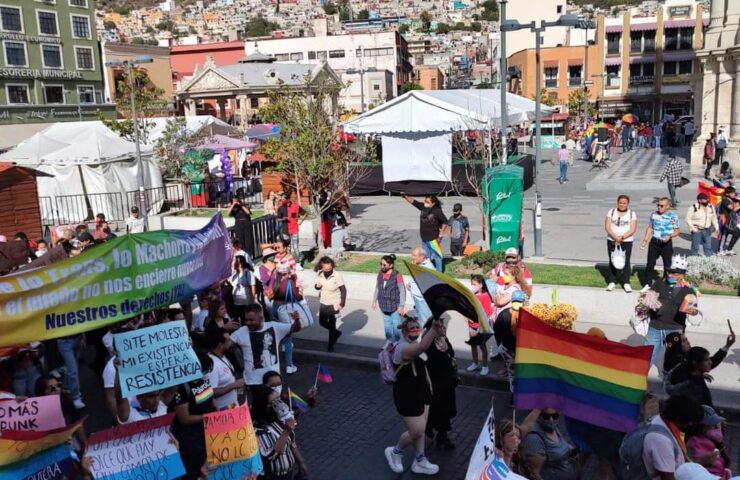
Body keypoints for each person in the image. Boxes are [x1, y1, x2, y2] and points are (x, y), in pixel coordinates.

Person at [384, 317, 443, 476]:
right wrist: (433, 329)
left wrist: (429, 386)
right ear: (404, 331)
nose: (416, 330)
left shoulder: (414, 346)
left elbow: (423, 367)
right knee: (416, 431)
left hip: (422, 391)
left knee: (421, 430)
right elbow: (423, 346)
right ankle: (395, 451)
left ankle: (420, 460)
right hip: (407, 394)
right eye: (412, 328)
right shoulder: (402, 348)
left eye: (418, 327)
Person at [230, 304, 302, 389]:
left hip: (274, 383)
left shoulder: (274, 327)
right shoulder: (241, 332)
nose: (248, 323)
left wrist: (297, 320)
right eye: (246, 320)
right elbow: (223, 345)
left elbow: (295, 328)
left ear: (261, 318)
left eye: (251, 320)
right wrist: (222, 329)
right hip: (253, 384)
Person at [643, 255, 698, 366]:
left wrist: (693, 311)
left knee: (673, 360)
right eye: (669, 272)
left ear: (682, 274)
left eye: (674, 273)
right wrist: (648, 299)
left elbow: (695, 309)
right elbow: (649, 296)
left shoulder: (689, 288)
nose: (670, 274)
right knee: (647, 357)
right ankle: (639, 380)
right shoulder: (659, 282)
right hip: (655, 327)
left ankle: (669, 382)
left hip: (674, 329)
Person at [170, 351, 217, 480]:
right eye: (203, 369)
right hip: (191, 440)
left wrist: (220, 414)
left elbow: (211, 401)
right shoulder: (181, 388)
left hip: (208, 433)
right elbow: (184, 418)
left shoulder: (202, 381)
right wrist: (207, 417)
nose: (205, 372)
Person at [642, 394, 704, 480]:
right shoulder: (661, 441)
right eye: (689, 421)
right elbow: (668, 477)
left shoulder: (664, 422)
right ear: (678, 418)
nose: (690, 424)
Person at [251, 384, 303, 480]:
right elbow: (268, 456)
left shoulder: (278, 419)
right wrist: (286, 432)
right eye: (273, 403)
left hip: (288, 473)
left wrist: (301, 463)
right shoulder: (256, 429)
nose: (278, 405)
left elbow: (291, 442)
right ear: (263, 406)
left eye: (278, 399)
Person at [423, 318, 458, 450]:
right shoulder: (428, 344)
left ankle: (442, 435)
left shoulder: (445, 340)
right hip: (434, 383)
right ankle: (431, 427)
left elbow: (451, 354)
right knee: (437, 409)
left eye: (444, 326)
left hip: (448, 382)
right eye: (440, 327)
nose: (444, 328)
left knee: (447, 409)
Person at [520, 408, 578, 480]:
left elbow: (562, 450)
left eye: (555, 416)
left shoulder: (556, 429)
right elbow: (534, 474)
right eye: (546, 416)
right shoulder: (534, 438)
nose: (551, 420)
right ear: (539, 417)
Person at [640, 198, 680, 291]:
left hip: (666, 243)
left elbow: (677, 231)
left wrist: (669, 236)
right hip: (654, 242)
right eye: (658, 205)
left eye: (661, 205)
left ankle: (668, 285)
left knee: (667, 265)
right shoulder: (654, 214)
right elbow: (650, 227)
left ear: (667, 206)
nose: (659, 207)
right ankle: (647, 284)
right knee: (650, 264)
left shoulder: (673, 216)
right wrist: (645, 240)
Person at [401, 193, 448, 271]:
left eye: (428, 202)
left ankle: (439, 274)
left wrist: (441, 232)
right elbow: (413, 202)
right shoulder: (423, 207)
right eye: (425, 201)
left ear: (433, 203)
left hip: (433, 239)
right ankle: (428, 271)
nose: (425, 202)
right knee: (426, 257)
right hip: (424, 239)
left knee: (437, 256)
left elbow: (445, 221)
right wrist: (405, 196)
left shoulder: (437, 211)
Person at [686, 406, 732, 479]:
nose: (716, 428)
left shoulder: (715, 441)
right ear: (700, 426)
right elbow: (695, 465)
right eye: (712, 425)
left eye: (717, 424)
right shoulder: (695, 441)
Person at [662, 332, 734, 378]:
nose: (688, 342)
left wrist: (727, 346)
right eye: (684, 341)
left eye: (687, 340)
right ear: (676, 346)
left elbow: (709, 362)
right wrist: (697, 374)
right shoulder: (673, 362)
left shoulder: (688, 354)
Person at [605, 195, 638, 292]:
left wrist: (621, 238)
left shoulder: (632, 213)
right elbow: (607, 226)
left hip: (626, 241)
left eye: (624, 203)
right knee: (612, 260)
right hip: (612, 240)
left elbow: (632, 229)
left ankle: (626, 282)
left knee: (626, 261)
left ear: (628, 204)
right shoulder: (611, 212)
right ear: (617, 202)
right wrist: (615, 237)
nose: (622, 205)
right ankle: (612, 281)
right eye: (620, 203)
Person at [206, 327, 244, 411]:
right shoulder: (212, 364)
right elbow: (212, 392)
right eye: (228, 340)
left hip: (233, 406)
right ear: (220, 344)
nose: (231, 342)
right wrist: (234, 385)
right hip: (222, 411)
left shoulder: (223, 356)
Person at [372, 254, 406, 346]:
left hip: (394, 305)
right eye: (381, 264)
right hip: (383, 304)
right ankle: (389, 341)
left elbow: (402, 290)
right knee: (387, 324)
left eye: (384, 265)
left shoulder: (397, 275)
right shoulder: (380, 274)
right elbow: (377, 288)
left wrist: (401, 306)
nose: (382, 266)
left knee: (396, 324)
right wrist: (374, 301)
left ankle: (398, 341)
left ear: (391, 265)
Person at [314, 256, 346, 352]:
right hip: (324, 302)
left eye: (330, 268)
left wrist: (342, 303)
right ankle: (336, 333)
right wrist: (317, 286)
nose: (328, 270)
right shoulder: (320, 274)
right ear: (322, 268)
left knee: (332, 325)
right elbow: (317, 286)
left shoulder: (337, 275)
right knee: (322, 322)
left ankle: (330, 345)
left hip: (334, 304)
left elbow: (343, 290)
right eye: (325, 269)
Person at [467, 274, 494, 376]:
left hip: (480, 325)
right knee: (473, 345)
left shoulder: (485, 296)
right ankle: (475, 363)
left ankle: (485, 366)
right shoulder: (472, 295)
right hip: (471, 325)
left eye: (474, 284)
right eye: (471, 284)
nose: (472, 286)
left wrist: (475, 319)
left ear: (481, 285)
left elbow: (486, 312)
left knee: (482, 346)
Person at [407, 247, 434, 324]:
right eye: (412, 255)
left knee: (425, 322)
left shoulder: (428, 267)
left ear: (422, 256)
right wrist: (410, 283)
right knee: (419, 320)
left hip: (423, 300)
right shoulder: (417, 264)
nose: (412, 257)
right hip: (416, 297)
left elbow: (428, 284)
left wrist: (414, 268)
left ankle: (427, 335)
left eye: (414, 255)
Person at [276, 193, 307, 260]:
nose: (282, 201)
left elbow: (305, 213)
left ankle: (298, 263)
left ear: (288, 199)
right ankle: (288, 261)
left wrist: (301, 221)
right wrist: (283, 219)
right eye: (282, 199)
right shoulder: (281, 208)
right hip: (285, 230)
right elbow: (278, 219)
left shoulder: (296, 206)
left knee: (295, 247)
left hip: (294, 230)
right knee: (287, 247)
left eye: (284, 199)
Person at [229, 255, 256, 322]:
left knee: (246, 319)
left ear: (240, 263)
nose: (233, 263)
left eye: (235, 261)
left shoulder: (248, 273)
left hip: (246, 301)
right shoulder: (234, 274)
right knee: (240, 318)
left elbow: (252, 286)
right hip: (236, 301)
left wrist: (252, 301)